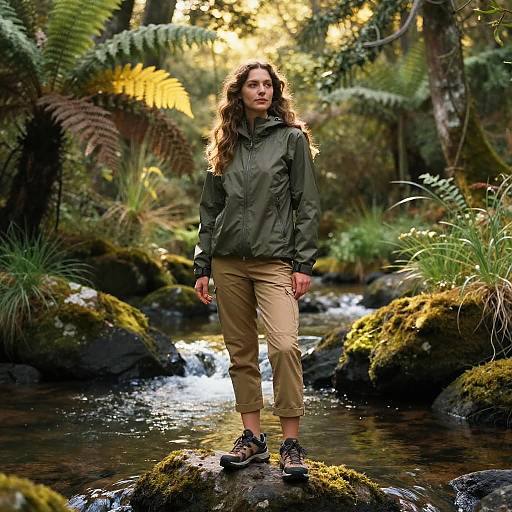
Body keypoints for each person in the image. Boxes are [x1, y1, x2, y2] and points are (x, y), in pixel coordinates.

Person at [193, 59, 321, 482]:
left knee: (284, 346)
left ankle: (290, 443)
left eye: (268, 85)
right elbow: (210, 210)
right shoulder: (223, 143)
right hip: (228, 263)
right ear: (240, 93)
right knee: (241, 352)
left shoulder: (291, 139)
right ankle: (252, 439)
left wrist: (303, 264)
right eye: (254, 85)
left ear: (276, 92)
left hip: (275, 261)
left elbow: (308, 205)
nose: (262, 91)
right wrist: (203, 264)